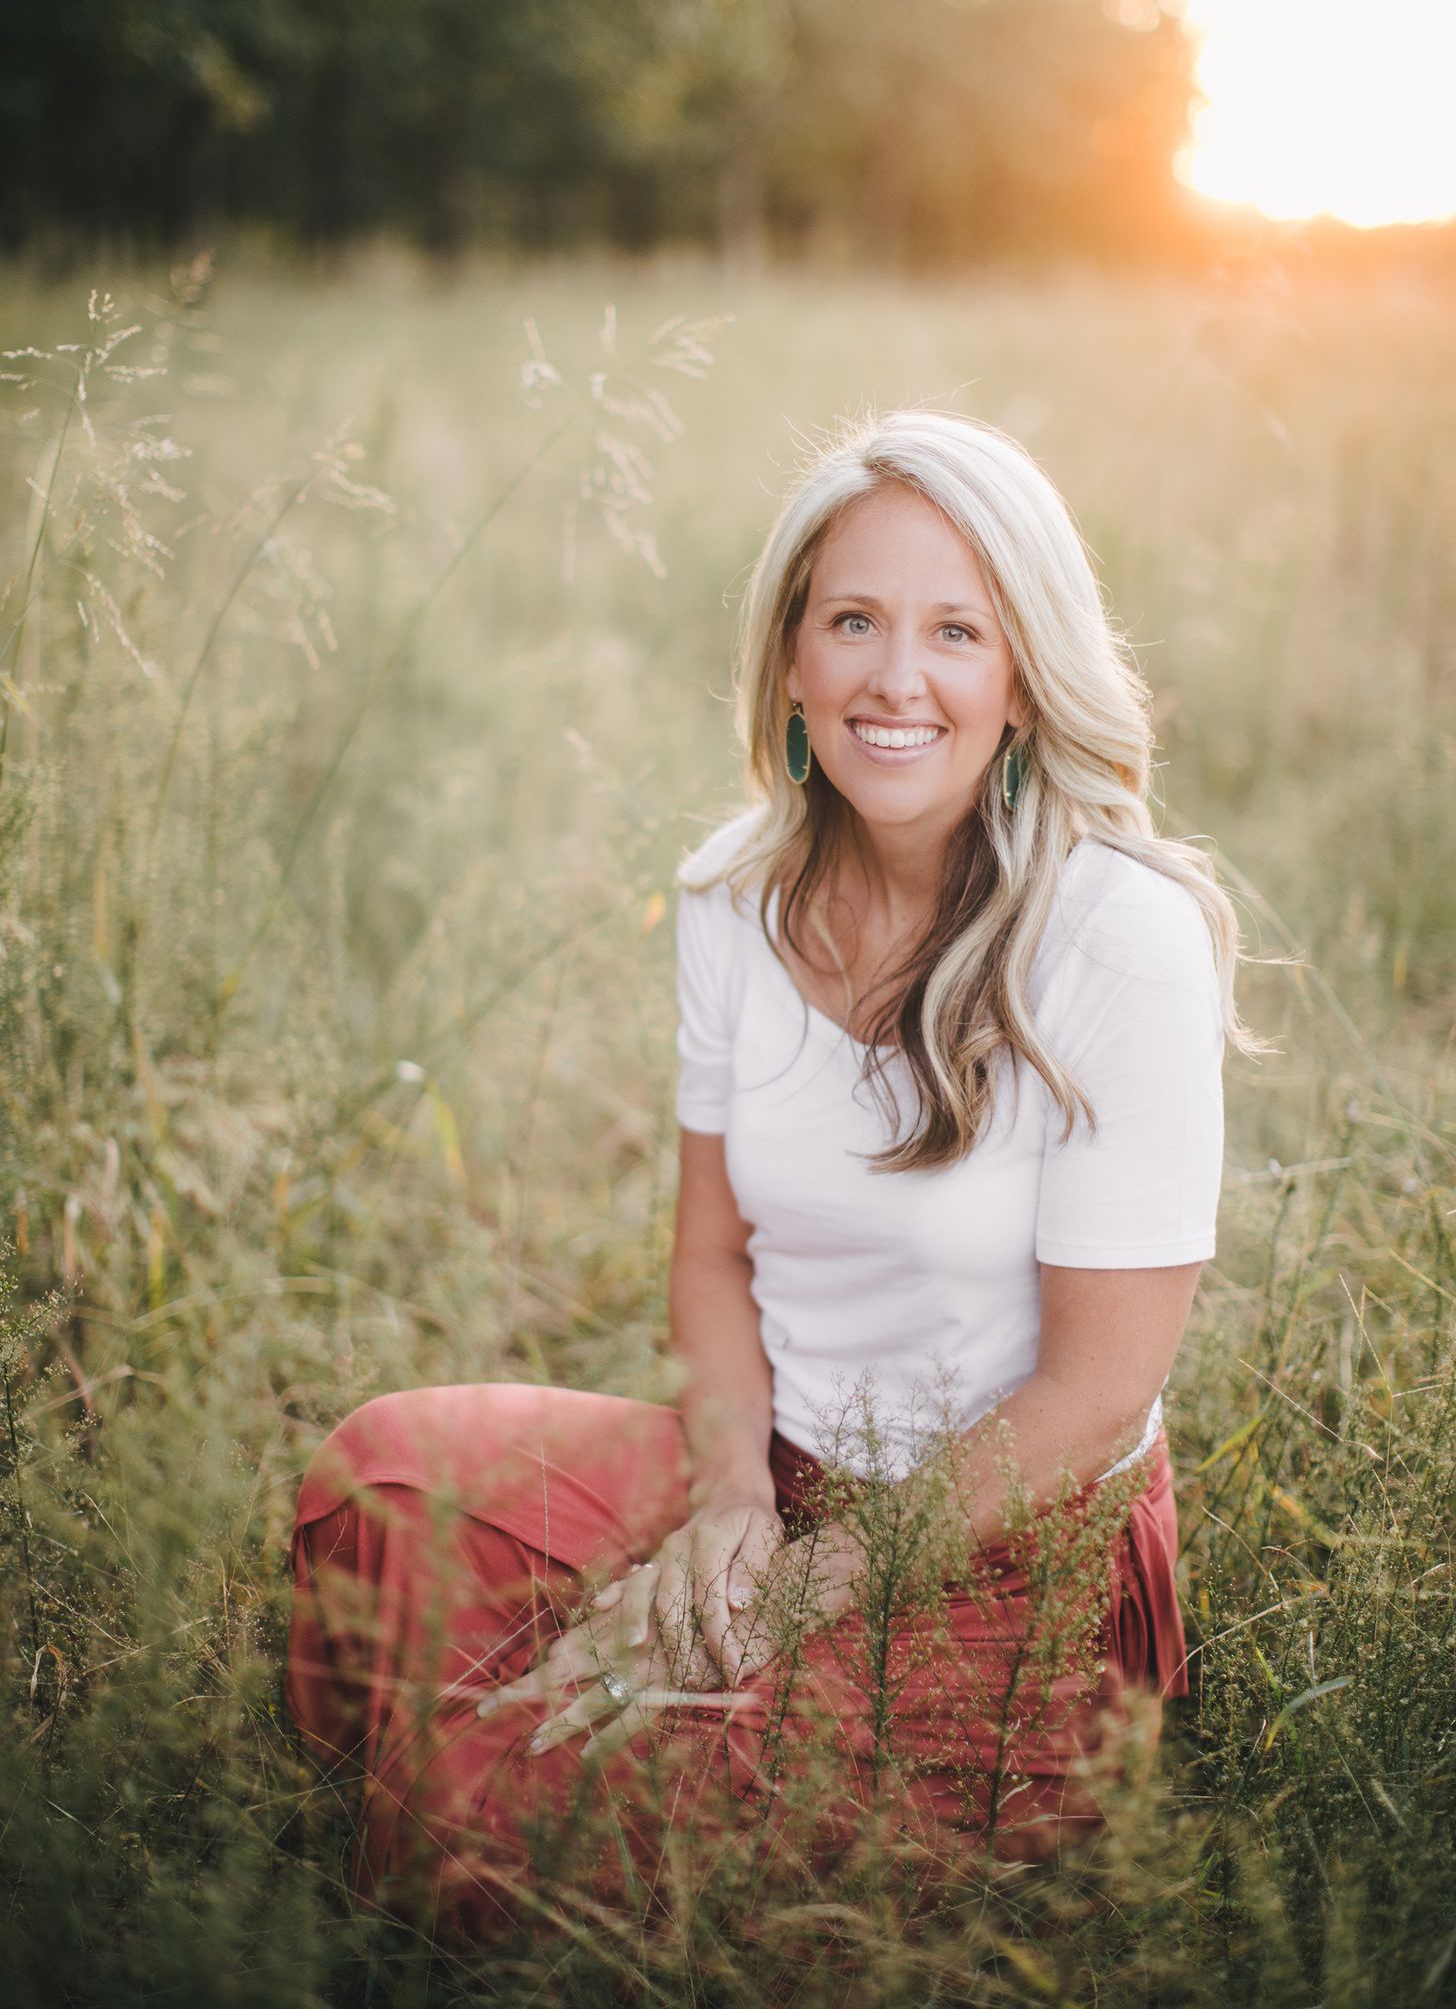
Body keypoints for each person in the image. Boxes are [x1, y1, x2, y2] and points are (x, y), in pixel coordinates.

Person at [284, 407, 1253, 1946]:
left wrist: (795, 1593)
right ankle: (535, 1732)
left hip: (1018, 1546)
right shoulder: (732, 895)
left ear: (1022, 677)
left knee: (473, 1822)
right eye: (853, 620)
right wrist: (733, 1508)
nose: (895, 677)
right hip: (777, 1470)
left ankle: (518, 1771)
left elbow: (1092, 1392)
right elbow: (713, 1256)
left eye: (956, 630)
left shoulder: (1119, 937)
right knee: (378, 1483)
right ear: (791, 657)